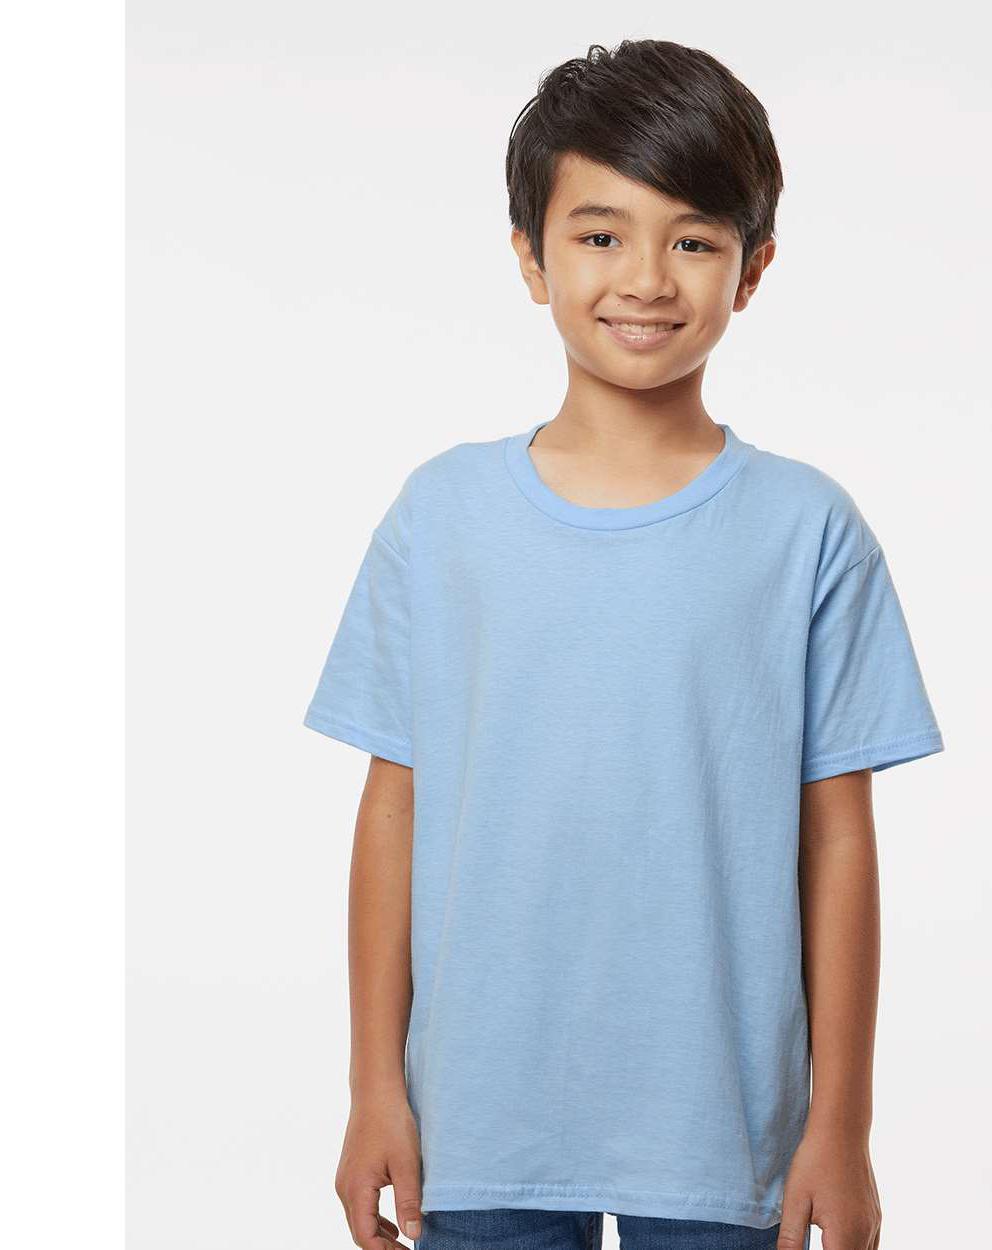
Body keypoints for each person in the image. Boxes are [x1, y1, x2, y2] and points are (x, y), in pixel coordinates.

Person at [303, 38, 944, 1250]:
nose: (645, 277)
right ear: (528, 256)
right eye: (599, 234)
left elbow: (836, 839)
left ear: (752, 269)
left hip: (722, 1131)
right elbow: (393, 806)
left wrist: (840, 1124)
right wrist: (372, 1084)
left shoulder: (805, 529)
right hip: (475, 1119)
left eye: (692, 241)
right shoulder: (440, 516)